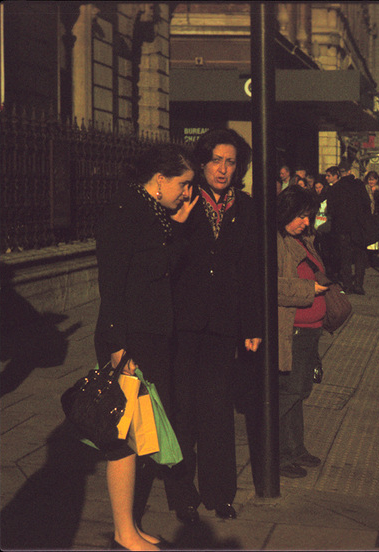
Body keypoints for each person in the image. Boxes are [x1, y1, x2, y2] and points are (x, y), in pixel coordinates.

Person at [94, 143, 198, 550]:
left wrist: (179, 225)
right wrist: (118, 346)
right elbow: (113, 282)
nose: (186, 193)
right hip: (129, 341)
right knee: (123, 439)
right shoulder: (126, 211)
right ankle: (123, 532)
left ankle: (131, 527)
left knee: (138, 436)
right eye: (183, 184)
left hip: (146, 338)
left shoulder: (149, 212)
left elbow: (155, 265)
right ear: (160, 180)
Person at [166, 128, 263, 523]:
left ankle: (220, 492)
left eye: (231, 162)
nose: (223, 169)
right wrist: (177, 223)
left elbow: (254, 267)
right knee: (182, 410)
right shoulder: (184, 199)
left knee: (218, 410)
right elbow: (166, 259)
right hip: (183, 322)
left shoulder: (247, 206)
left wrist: (253, 324)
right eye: (216, 161)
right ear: (202, 162)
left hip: (225, 323)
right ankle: (182, 494)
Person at [276, 185, 329, 478]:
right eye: (301, 216)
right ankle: (278, 454)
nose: (306, 222)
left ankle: (296, 448)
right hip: (292, 331)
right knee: (290, 392)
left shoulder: (303, 240)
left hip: (310, 330)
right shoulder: (276, 242)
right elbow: (272, 285)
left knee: (300, 391)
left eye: (309, 217)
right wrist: (310, 289)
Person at [326, 162, 371, 294]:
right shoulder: (359, 185)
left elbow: (331, 210)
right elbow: (367, 204)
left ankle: (346, 284)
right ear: (350, 172)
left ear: (339, 174)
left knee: (345, 257)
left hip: (343, 228)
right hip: (359, 226)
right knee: (359, 256)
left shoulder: (335, 188)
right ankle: (358, 284)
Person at [363, 171, 379, 268]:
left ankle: (372, 258)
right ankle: (367, 259)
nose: (371, 181)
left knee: (375, 239)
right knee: (367, 239)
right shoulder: (364, 189)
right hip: (367, 217)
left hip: (376, 217)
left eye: (373, 179)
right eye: (369, 179)